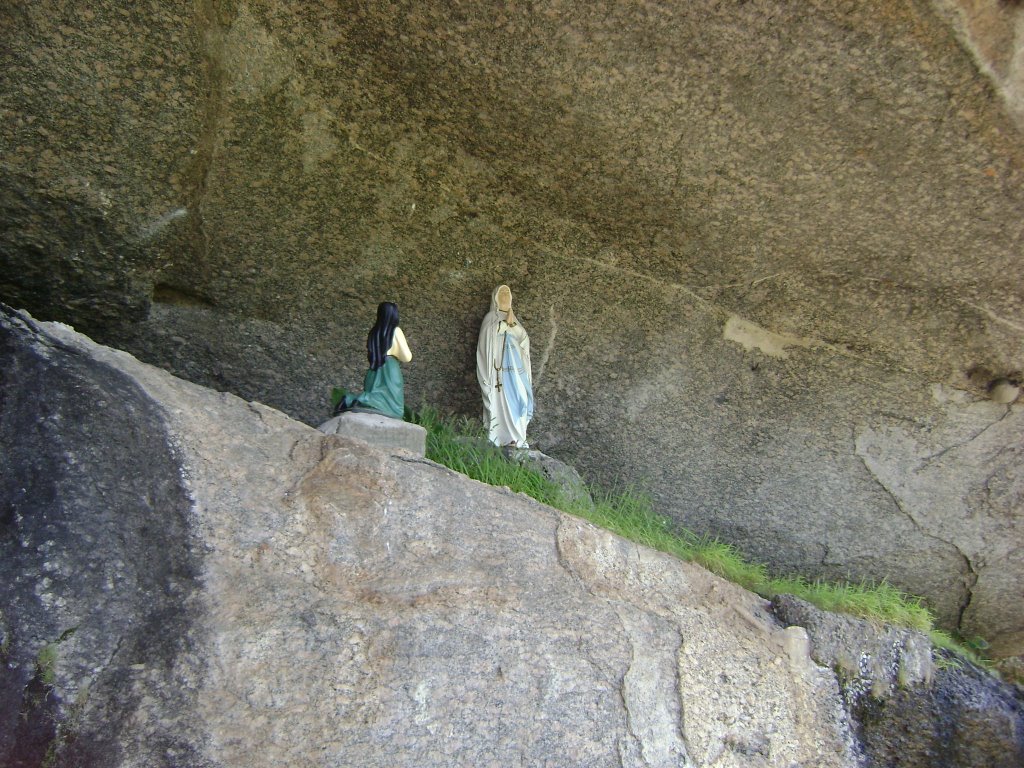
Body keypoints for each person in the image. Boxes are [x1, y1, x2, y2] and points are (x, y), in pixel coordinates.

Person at [476, 284, 534, 448]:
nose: (505, 296)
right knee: (500, 403)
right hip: (498, 372)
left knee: (519, 398)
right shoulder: (490, 319)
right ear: (495, 297)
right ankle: (499, 437)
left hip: (515, 372)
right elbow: (485, 343)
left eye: (508, 293)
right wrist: (501, 328)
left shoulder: (514, 320)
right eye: (502, 292)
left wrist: (511, 328)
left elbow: (524, 341)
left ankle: (518, 436)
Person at [335, 302, 412, 419]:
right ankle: (360, 399)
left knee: (376, 394)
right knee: (395, 407)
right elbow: (407, 357)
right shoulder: (395, 331)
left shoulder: (374, 332)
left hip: (374, 369)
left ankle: (351, 400)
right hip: (389, 369)